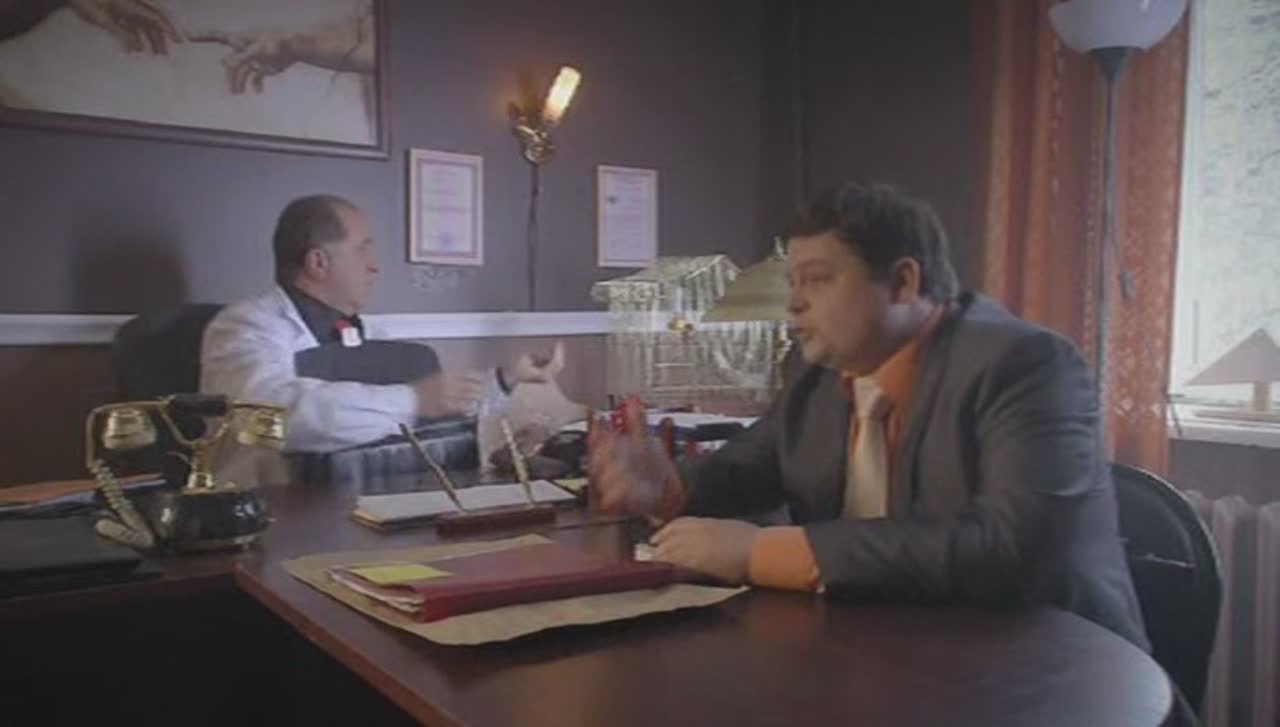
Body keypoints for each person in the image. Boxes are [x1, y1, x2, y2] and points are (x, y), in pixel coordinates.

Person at [589, 182, 1149, 649]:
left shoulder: (1025, 364)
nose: (794, 303)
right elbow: (747, 468)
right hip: (894, 660)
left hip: (1054, 671)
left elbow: (1010, 550)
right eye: (792, 283)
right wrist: (667, 487)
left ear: (903, 282)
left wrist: (761, 552)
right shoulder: (821, 377)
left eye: (818, 279)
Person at [201, 194, 557, 453]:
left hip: (373, 501)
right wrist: (412, 400)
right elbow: (262, 417)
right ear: (318, 263)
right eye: (362, 249)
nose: (374, 266)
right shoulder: (245, 325)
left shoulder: (370, 334)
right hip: (279, 509)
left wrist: (506, 379)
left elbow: (437, 406)